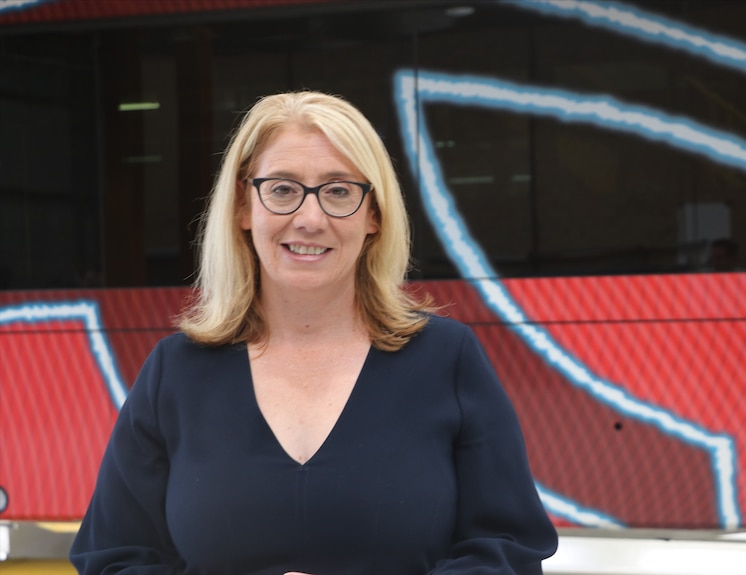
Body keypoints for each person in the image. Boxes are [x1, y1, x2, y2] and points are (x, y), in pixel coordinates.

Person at [70, 91, 558, 575]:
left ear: (374, 215)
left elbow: (508, 549)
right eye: (282, 189)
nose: (309, 218)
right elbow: (113, 558)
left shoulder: (446, 358)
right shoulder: (174, 371)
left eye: (339, 191)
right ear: (243, 207)